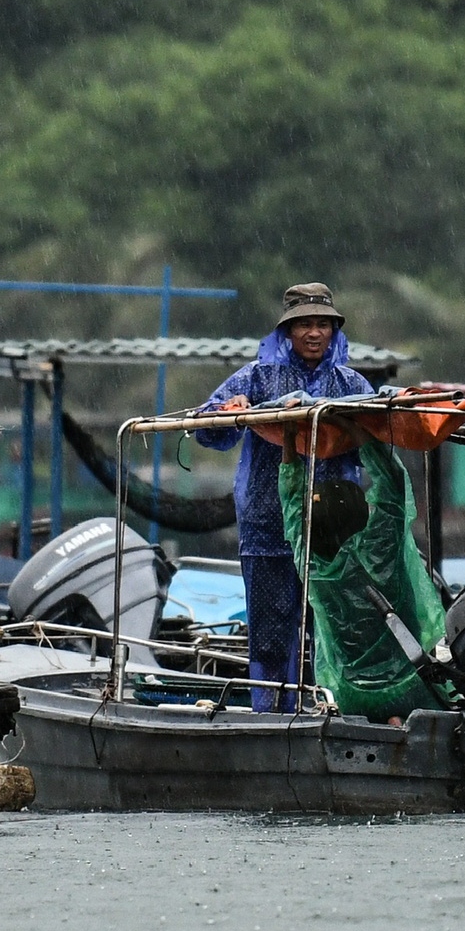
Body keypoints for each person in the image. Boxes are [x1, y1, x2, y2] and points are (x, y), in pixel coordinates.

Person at [197, 283, 373, 711]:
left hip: (332, 531)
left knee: (331, 627)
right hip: (267, 525)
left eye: (323, 325)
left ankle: (328, 708)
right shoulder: (256, 377)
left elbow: (378, 434)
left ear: (334, 330)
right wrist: (231, 411)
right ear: (287, 332)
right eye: (305, 325)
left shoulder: (350, 383)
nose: (314, 333)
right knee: (271, 632)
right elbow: (205, 426)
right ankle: (271, 716)